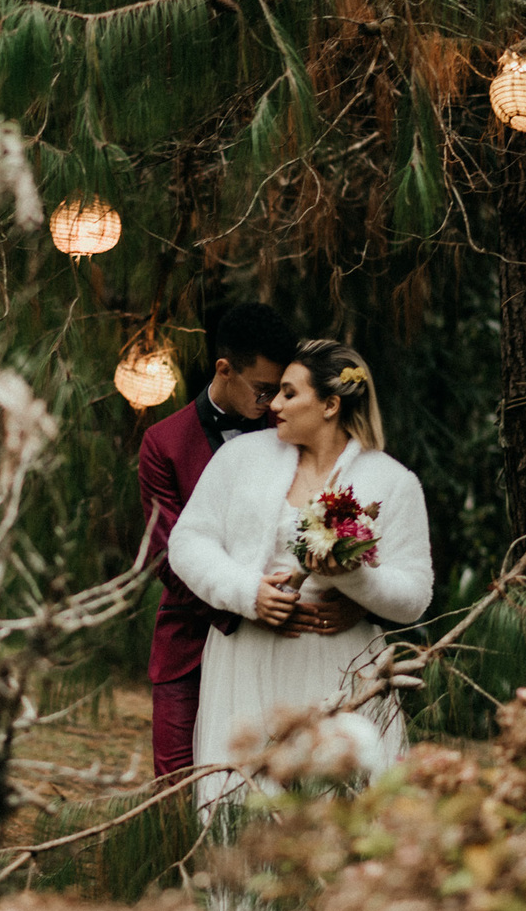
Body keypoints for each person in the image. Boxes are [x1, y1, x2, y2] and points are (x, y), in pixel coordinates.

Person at [167, 337, 433, 794]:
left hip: (339, 662)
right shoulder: (240, 459)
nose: (276, 405)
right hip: (247, 657)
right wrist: (249, 592)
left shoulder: (392, 481)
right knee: (246, 795)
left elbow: (414, 594)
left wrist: (353, 579)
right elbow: (189, 541)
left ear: (330, 405)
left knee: (337, 800)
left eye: (290, 393)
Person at [139, 306, 364, 781]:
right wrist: (246, 601)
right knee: (180, 784)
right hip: (192, 640)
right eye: (263, 390)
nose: (272, 404)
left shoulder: (294, 431)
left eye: (282, 390)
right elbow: (166, 557)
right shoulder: (163, 443)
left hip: (287, 646)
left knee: (270, 779)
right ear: (225, 370)